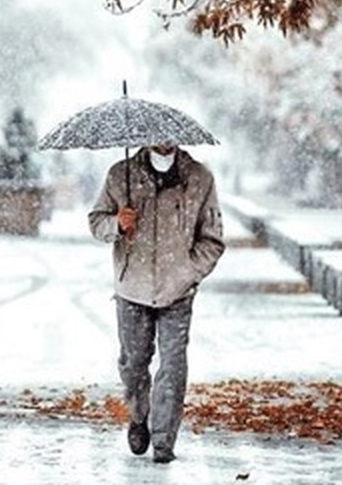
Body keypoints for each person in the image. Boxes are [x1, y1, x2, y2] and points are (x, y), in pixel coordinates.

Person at [88, 143, 226, 464]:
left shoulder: (199, 178)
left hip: (177, 291)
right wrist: (117, 224)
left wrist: (190, 271)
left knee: (173, 365)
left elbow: (213, 238)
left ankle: (164, 440)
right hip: (131, 287)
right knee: (133, 363)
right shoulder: (120, 174)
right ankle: (139, 415)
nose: (162, 141)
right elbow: (96, 221)